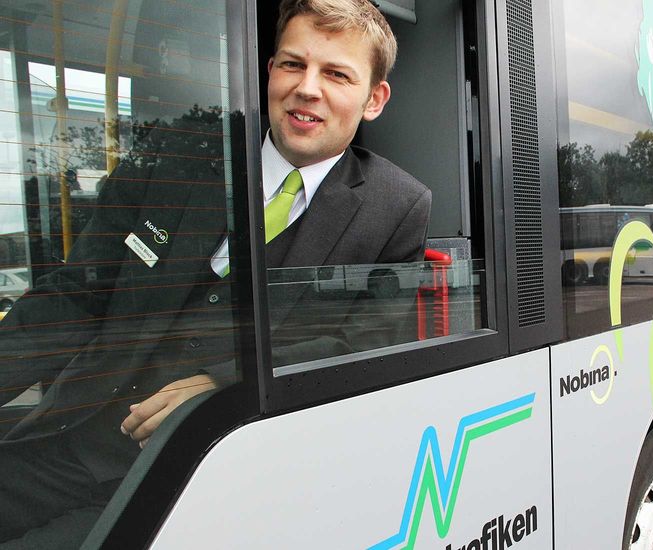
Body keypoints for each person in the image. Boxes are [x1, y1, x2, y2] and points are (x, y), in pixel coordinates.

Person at [0, 0, 429, 546]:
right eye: (293, 64)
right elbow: (76, 292)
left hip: (203, 473)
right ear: (269, 71)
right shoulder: (178, 154)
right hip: (72, 437)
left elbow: (366, 344)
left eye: (336, 75)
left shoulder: (397, 205)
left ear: (374, 99)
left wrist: (225, 383)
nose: (307, 88)